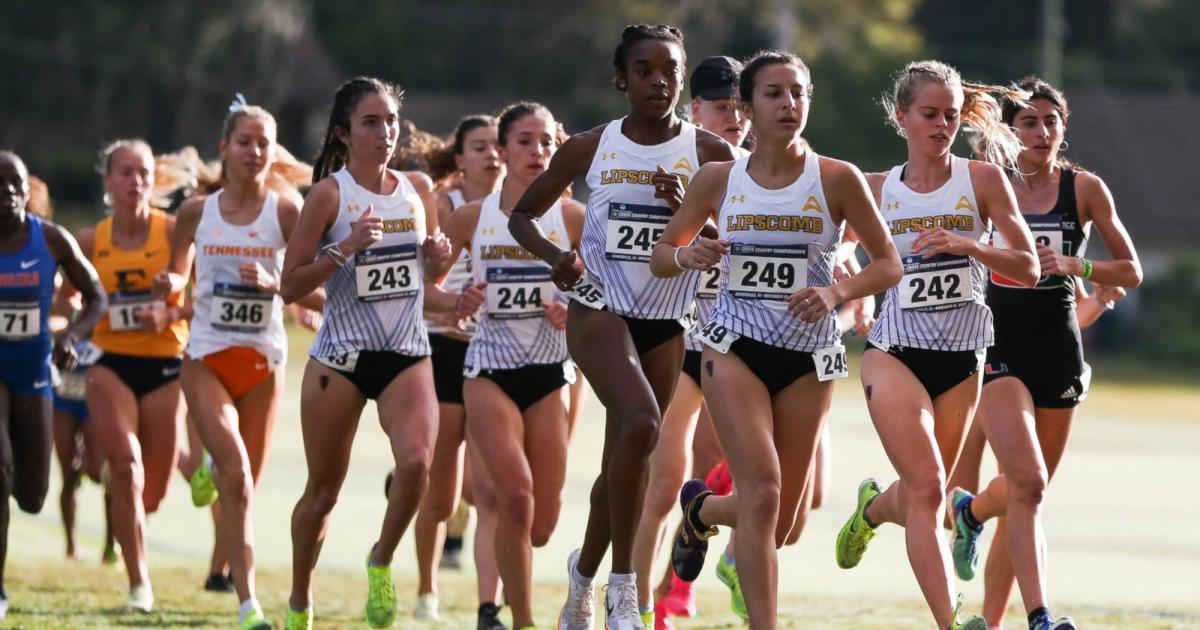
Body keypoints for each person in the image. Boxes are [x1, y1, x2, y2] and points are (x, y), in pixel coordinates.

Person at [653, 50, 902, 630]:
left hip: (809, 356)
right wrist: (689, 253)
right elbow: (664, 254)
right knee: (762, 493)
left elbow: (887, 265)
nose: (789, 104)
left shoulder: (837, 179)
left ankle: (701, 510)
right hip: (733, 347)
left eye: (798, 93)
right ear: (747, 105)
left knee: (783, 522)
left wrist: (838, 295)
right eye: (774, 93)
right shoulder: (718, 179)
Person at [508, 23, 735, 630]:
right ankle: (623, 592)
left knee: (624, 459)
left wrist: (680, 209)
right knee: (640, 423)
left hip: (666, 318)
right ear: (621, 78)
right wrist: (556, 257)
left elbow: (732, 247)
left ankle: (581, 579)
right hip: (599, 307)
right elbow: (523, 215)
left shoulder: (712, 155)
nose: (658, 81)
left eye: (669, 71)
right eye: (644, 70)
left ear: (682, 81)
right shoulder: (590, 146)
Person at [831, 60, 1039, 630]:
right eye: (929, 114)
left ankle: (872, 510)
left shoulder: (983, 182)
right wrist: (860, 292)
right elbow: (832, 248)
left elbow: (1027, 268)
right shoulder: (875, 190)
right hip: (893, 351)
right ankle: (953, 622)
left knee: (925, 492)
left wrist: (969, 246)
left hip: (962, 355)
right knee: (926, 488)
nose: (942, 124)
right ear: (901, 117)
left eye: (951, 115)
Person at [943, 75, 1142, 630]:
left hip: (1058, 349)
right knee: (1026, 483)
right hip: (996, 345)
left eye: (1051, 120)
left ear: (1064, 129)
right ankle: (1041, 618)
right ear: (1009, 131)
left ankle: (979, 552)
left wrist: (1076, 267)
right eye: (1028, 121)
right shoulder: (987, 184)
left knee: (1026, 498)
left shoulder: (1084, 189)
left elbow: (1131, 269)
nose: (1041, 130)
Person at [280, 76, 451, 630]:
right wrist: (345, 248)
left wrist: (439, 256)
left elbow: (427, 275)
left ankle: (381, 559)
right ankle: (301, 598)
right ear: (344, 133)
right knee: (323, 494)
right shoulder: (330, 195)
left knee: (418, 464)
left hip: (406, 351)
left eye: (391, 122)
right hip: (341, 359)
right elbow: (290, 283)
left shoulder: (416, 189)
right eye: (371, 122)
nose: (384, 132)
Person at [157, 96, 321, 629]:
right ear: (224, 147)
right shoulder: (194, 213)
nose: (254, 151)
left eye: (263, 143)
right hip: (205, 357)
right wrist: (172, 283)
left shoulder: (285, 211)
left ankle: (205, 472)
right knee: (238, 476)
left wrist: (285, 292)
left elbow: (303, 283)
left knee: (244, 485)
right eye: (244, 141)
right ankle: (249, 604)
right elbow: (179, 272)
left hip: (263, 364)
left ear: (274, 154)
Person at [433, 100, 584, 630]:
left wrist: (576, 307)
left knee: (541, 524)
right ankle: (519, 620)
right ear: (501, 150)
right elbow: (422, 289)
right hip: (488, 370)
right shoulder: (472, 217)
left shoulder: (572, 218)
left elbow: (608, 290)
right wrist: (455, 303)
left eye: (546, 141)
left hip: (550, 375)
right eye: (524, 140)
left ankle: (540, 583)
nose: (537, 151)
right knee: (513, 499)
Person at [637, 53, 752, 629]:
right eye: (722, 108)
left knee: (793, 505)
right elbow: (649, 252)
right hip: (679, 335)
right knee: (662, 483)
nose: (735, 119)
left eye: (742, 107)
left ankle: (709, 528)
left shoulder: (767, 170)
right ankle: (639, 606)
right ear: (695, 109)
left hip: (751, 345)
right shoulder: (664, 165)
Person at [78, 140, 192, 612]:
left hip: (166, 366)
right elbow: (67, 296)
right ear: (107, 181)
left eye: (143, 172)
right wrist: (68, 315)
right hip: (110, 363)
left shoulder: (173, 231)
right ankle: (138, 582)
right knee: (126, 467)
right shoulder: (89, 241)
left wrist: (169, 314)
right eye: (124, 173)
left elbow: (202, 296)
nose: (135, 181)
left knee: (154, 493)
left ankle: (127, 506)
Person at [0, 151, 106, 620]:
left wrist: (73, 336)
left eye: (14, 183)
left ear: (28, 190)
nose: (6, 191)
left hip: (35, 371)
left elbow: (97, 296)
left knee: (32, 494)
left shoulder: (52, 240)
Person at [407, 114, 504, 623]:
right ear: (459, 158)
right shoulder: (444, 207)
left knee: (491, 489)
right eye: (479, 147)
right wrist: (453, 303)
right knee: (441, 492)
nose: (491, 155)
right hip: (445, 351)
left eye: (496, 146)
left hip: (501, 353)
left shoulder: (525, 208)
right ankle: (426, 589)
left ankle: (491, 603)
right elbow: (419, 295)